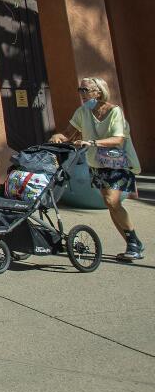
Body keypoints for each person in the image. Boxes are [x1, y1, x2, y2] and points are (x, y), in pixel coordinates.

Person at [51, 77, 144, 261]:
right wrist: (58, 136)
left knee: (112, 201)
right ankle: (132, 244)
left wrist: (91, 142)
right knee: (110, 204)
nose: (82, 94)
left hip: (118, 163)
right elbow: (69, 133)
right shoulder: (83, 111)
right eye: (80, 90)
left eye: (85, 90)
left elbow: (118, 139)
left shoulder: (114, 111)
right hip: (97, 164)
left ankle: (133, 242)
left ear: (98, 92)